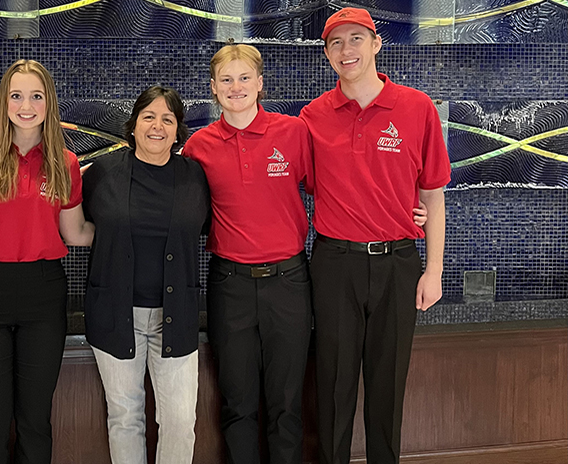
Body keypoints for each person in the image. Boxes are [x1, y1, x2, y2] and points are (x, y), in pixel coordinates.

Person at [299, 8, 450, 464]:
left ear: (376, 43)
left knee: (388, 384)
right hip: (334, 263)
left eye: (356, 39)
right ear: (326, 54)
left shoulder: (416, 107)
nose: (347, 51)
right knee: (334, 384)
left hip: (398, 262)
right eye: (336, 43)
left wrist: (434, 270)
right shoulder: (312, 117)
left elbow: (434, 195)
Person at [0, 59, 93, 464]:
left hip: (43, 293)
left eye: (36, 95)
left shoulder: (64, 162)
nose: (26, 105)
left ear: (49, 102)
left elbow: (75, 232)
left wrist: (129, 232)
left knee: (35, 420)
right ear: (4, 101)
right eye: (16, 95)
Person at [181, 44, 313, 464]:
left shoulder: (293, 133)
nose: (235, 87)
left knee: (287, 405)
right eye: (226, 79)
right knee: (237, 405)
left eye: (243, 78)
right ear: (213, 89)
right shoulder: (198, 147)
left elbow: (336, 186)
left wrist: (403, 205)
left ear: (260, 83)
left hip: (289, 284)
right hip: (230, 284)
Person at [81, 86, 210, 464]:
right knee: (125, 417)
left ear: (178, 130)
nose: (158, 126)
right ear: (133, 126)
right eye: (148, 117)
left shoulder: (196, 177)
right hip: (116, 314)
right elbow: (76, 223)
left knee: (180, 419)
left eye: (168, 119)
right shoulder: (102, 172)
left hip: (177, 315)